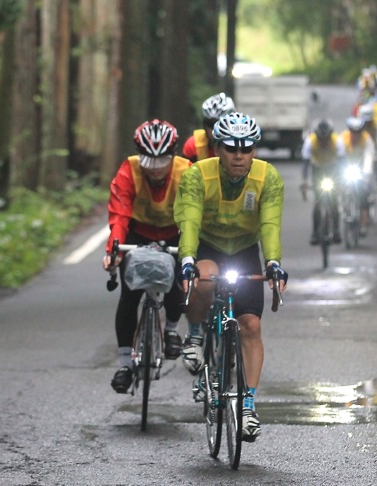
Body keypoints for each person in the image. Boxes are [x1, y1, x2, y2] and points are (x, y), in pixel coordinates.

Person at [173, 112, 288, 441]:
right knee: (204, 279)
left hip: (244, 249)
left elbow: (269, 225)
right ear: (218, 149)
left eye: (246, 149)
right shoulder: (198, 174)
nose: (239, 156)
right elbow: (190, 221)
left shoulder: (268, 178)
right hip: (208, 246)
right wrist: (187, 260)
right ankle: (195, 336)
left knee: (251, 325)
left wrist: (274, 263)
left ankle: (248, 406)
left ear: (254, 150)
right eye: (231, 149)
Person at [103, 119, 192, 394]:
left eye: (162, 160)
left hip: (175, 233)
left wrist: (191, 252)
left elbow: (192, 216)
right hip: (137, 234)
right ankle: (124, 364)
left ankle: (172, 329)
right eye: (148, 161)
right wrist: (113, 250)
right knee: (129, 295)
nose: (154, 169)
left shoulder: (187, 172)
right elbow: (119, 215)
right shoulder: (128, 171)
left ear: (173, 155)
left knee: (179, 283)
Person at [301, 119, 346, 245]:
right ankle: (315, 232)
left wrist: (342, 181)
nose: (324, 142)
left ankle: (336, 230)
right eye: (321, 139)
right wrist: (304, 181)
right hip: (317, 169)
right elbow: (305, 163)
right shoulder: (310, 141)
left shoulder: (337, 141)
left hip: (333, 168)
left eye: (326, 139)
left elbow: (342, 163)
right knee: (317, 202)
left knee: (334, 201)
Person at [340, 116, 376, 236]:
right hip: (345, 167)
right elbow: (338, 158)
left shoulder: (367, 140)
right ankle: (342, 207)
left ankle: (364, 222)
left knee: (363, 193)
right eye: (353, 132)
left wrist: (366, 175)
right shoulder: (342, 139)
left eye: (358, 132)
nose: (355, 135)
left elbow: (368, 158)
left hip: (361, 169)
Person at [181, 92, 236, 162]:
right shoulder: (193, 145)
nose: (215, 130)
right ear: (204, 125)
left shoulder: (246, 145)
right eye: (211, 124)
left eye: (221, 124)